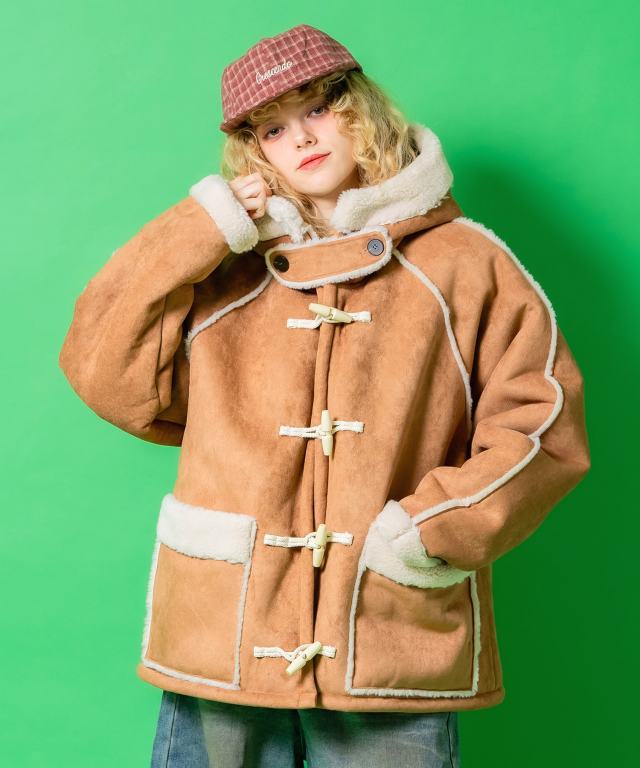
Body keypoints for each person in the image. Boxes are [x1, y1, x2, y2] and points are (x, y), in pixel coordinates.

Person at [58, 23, 591, 768]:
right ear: (254, 152)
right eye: (273, 129)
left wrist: (426, 536)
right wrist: (197, 229)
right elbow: (104, 370)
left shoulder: (466, 262)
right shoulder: (224, 270)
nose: (302, 138)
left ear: (359, 109)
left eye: (317, 109)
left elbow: (543, 427)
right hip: (226, 629)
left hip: (390, 629)